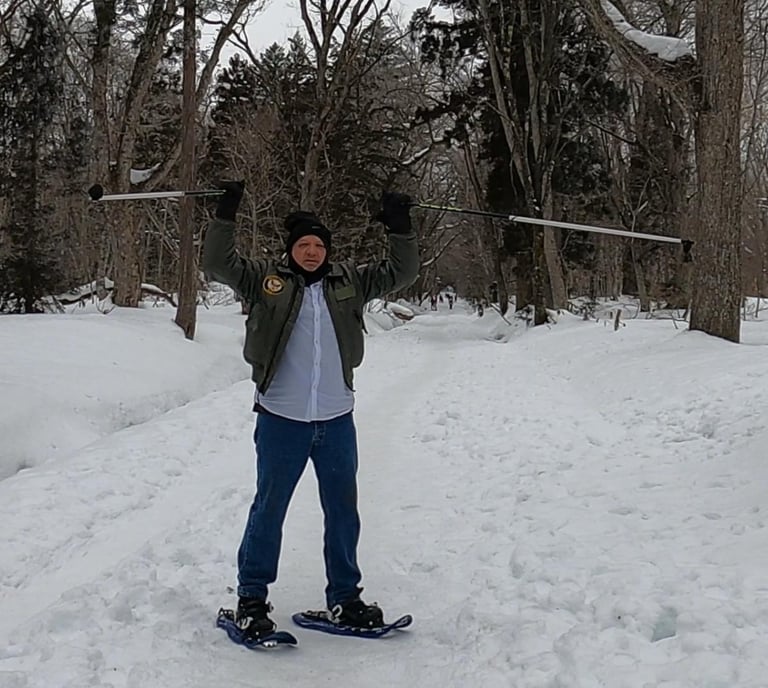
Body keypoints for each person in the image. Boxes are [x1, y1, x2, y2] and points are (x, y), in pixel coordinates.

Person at [202, 182, 419, 640]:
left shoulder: (350, 282)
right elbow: (218, 263)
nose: (313, 251)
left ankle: (344, 599)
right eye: (304, 244)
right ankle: (251, 600)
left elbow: (402, 272)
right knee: (270, 508)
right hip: (281, 419)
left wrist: (400, 228)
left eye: (319, 245)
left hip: (337, 419)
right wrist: (226, 216)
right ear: (290, 249)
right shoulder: (266, 281)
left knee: (343, 510)